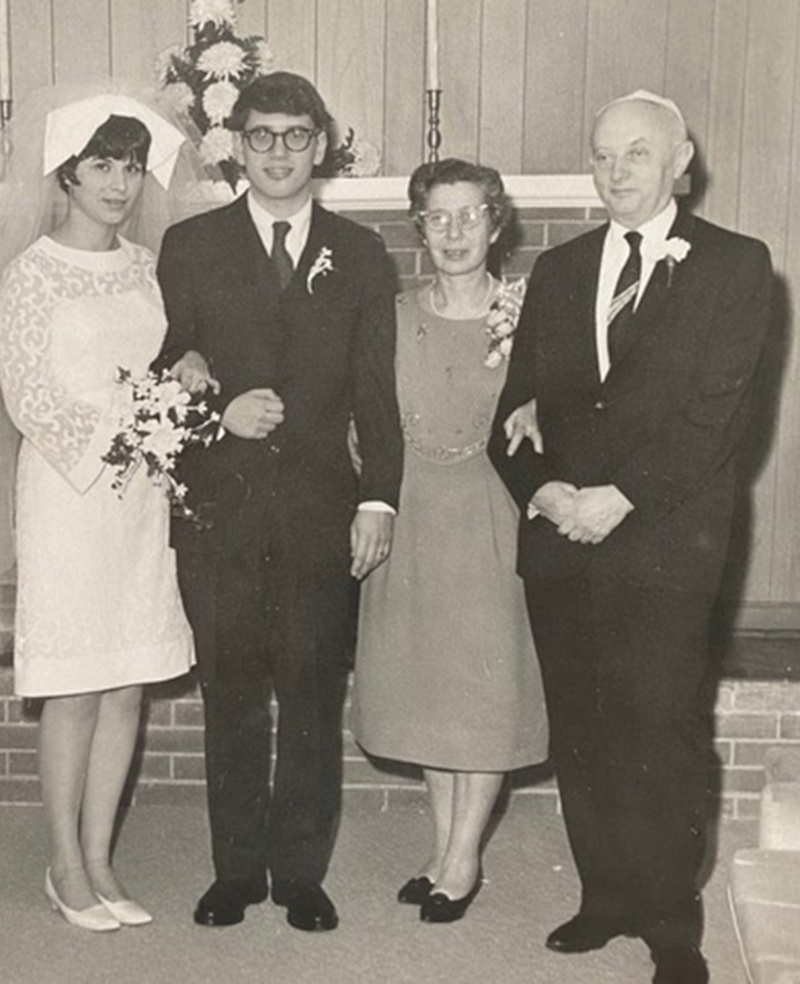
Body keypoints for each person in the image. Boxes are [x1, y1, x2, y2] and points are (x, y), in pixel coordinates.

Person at [488, 90, 773, 984]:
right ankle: (604, 895)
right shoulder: (561, 269)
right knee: (584, 726)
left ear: (680, 159)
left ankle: (671, 922)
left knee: (662, 727)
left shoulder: (739, 265)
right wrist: (544, 494)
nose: (616, 173)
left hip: (667, 543)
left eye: (637, 155)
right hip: (565, 538)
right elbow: (514, 414)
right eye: (603, 156)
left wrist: (621, 497)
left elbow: (717, 420)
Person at [154, 71, 403, 932]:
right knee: (229, 694)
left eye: (297, 136)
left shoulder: (363, 254)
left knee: (308, 695)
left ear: (322, 144)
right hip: (221, 514)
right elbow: (162, 373)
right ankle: (234, 873)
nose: (279, 154)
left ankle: (300, 873)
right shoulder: (189, 246)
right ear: (239, 145)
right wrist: (216, 413)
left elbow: (378, 395)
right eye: (261, 136)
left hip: (316, 515)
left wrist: (379, 501)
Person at [0, 89, 199, 932]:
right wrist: (123, 432)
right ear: (67, 176)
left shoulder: (148, 268)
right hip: (71, 492)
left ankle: (104, 857)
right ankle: (64, 865)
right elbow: (27, 394)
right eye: (101, 166)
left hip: (142, 499)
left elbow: (167, 361)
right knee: (77, 687)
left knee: (127, 685)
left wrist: (178, 389)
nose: (119, 183)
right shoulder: (31, 273)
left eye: (129, 165)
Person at [352, 159, 548, 923]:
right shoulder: (393, 315)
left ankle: (463, 860)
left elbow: (567, 403)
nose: (456, 232)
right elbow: (365, 417)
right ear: (420, 229)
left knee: (484, 692)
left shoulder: (529, 313)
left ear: (496, 224)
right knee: (430, 689)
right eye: (440, 217)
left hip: (493, 516)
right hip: (411, 513)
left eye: (471, 215)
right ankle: (440, 847)